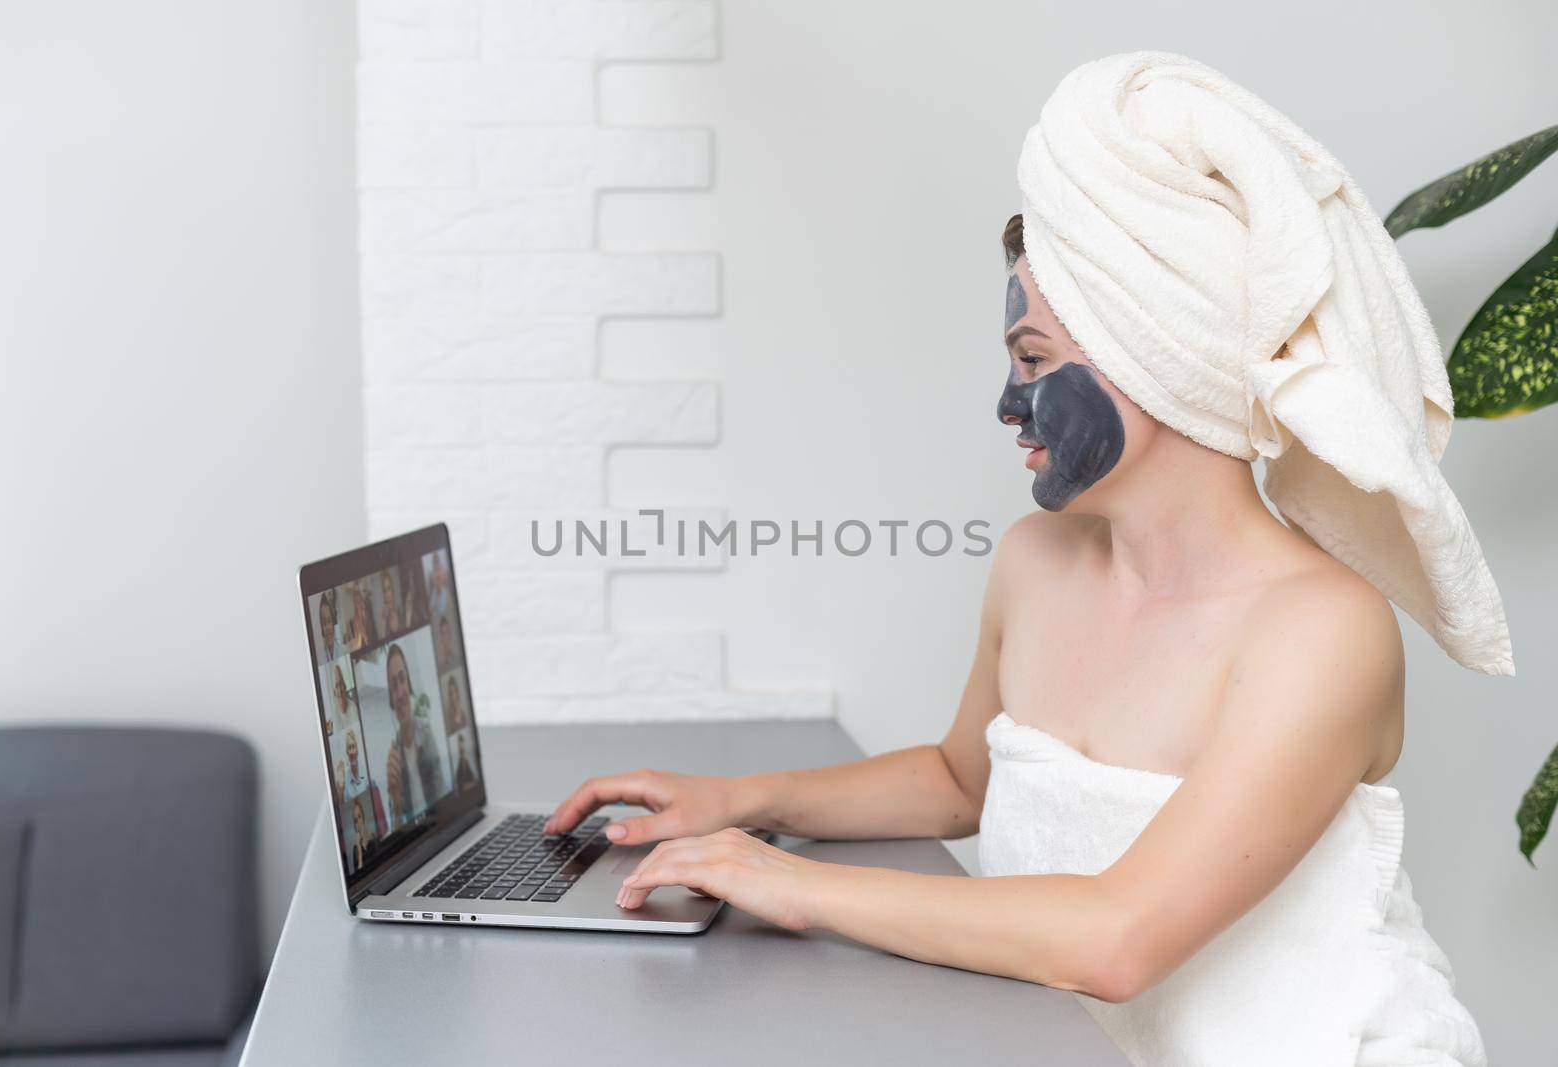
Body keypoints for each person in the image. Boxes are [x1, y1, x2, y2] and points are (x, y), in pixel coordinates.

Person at [541, 52, 1504, 1067]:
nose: (1008, 405)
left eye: (1034, 362)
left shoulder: (1320, 630)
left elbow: (1119, 939)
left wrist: (787, 881)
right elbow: (963, 778)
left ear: (1156, 356)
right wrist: (739, 803)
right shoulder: (1034, 560)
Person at [384, 644, 443, 824]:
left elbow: (443, 801)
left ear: (409, 685)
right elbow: (397, 830)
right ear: (391, 700)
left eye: (402, 680)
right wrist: (395, 797)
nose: (400, 692)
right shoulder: (393, 755)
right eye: (394, 685)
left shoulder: (426, 735)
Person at [317, 591, 344, 663]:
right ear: (321, 627)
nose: (328, 628)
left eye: (329, 621)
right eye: (324, 623)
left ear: (333, 624)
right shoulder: (319, 658)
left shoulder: (343, 650)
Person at [350, 798, 376, 870]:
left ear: (363, 816)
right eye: (355, 820)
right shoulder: (355, 849)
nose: (358, 822)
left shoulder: (373, 837)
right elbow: (359, 875)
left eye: (359, 816)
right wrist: (359, 849)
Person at [378, 569, 404, 639]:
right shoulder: (382, 617)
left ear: (392, 590)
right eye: (384, 591)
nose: (387, 595)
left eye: (389, 588)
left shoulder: (400, 612)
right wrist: (383, 621)